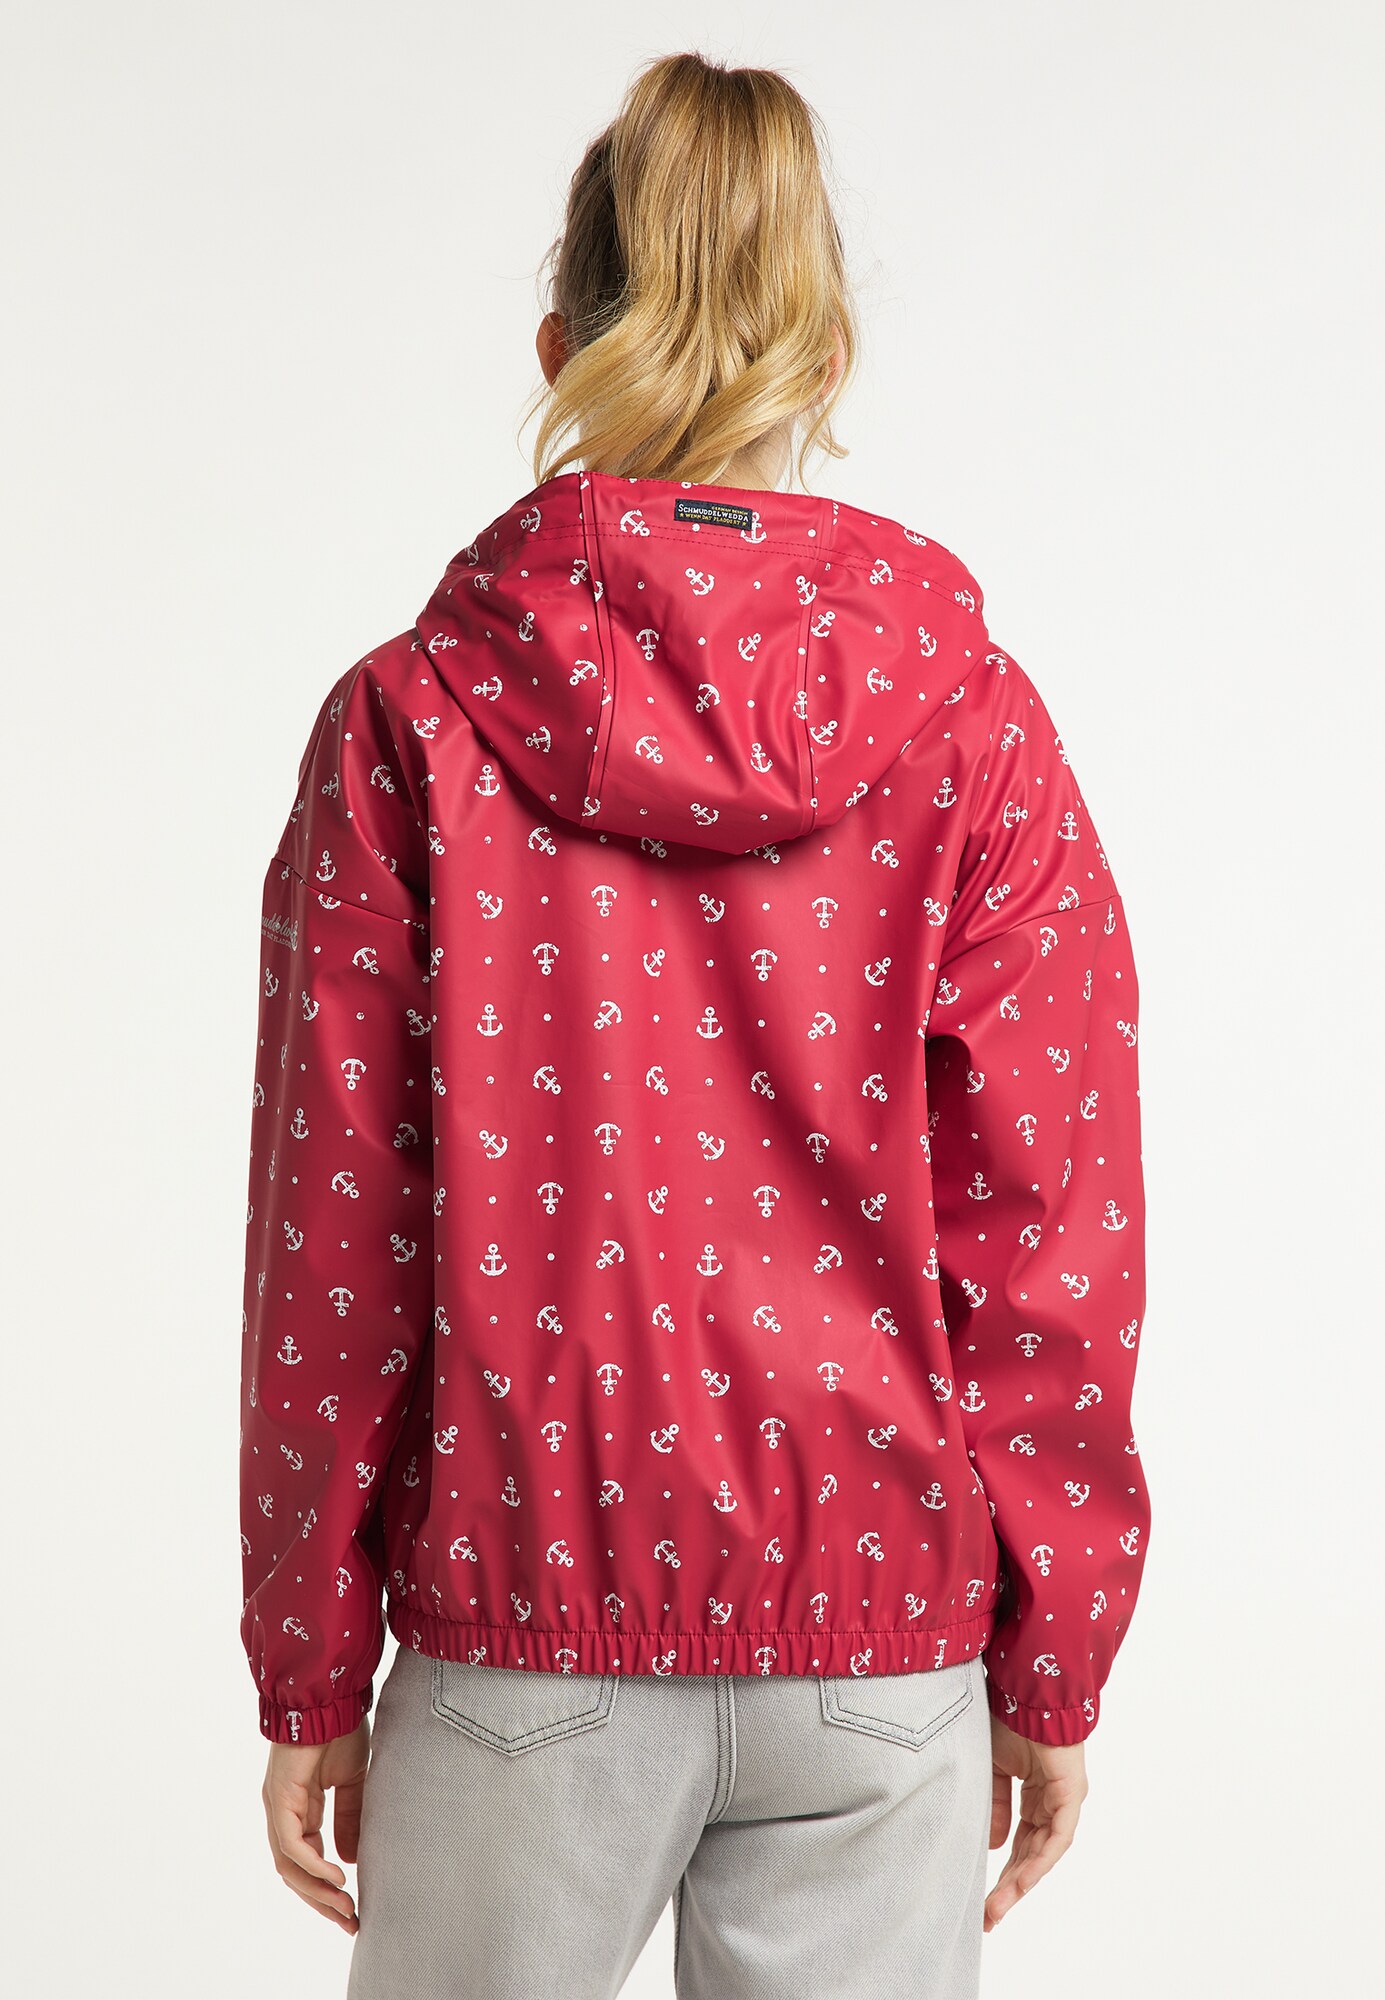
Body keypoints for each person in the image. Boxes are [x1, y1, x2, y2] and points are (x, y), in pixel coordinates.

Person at [238, 49, 1151, 2000]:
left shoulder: (409, 723)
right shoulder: (977, 731)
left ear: (561, 342)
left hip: (522, 1635)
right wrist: (1053, 1657)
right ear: (823, 352)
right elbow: (1053, 1231)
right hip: (879, 1653)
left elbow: (336, 1239)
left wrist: (309, 1662)